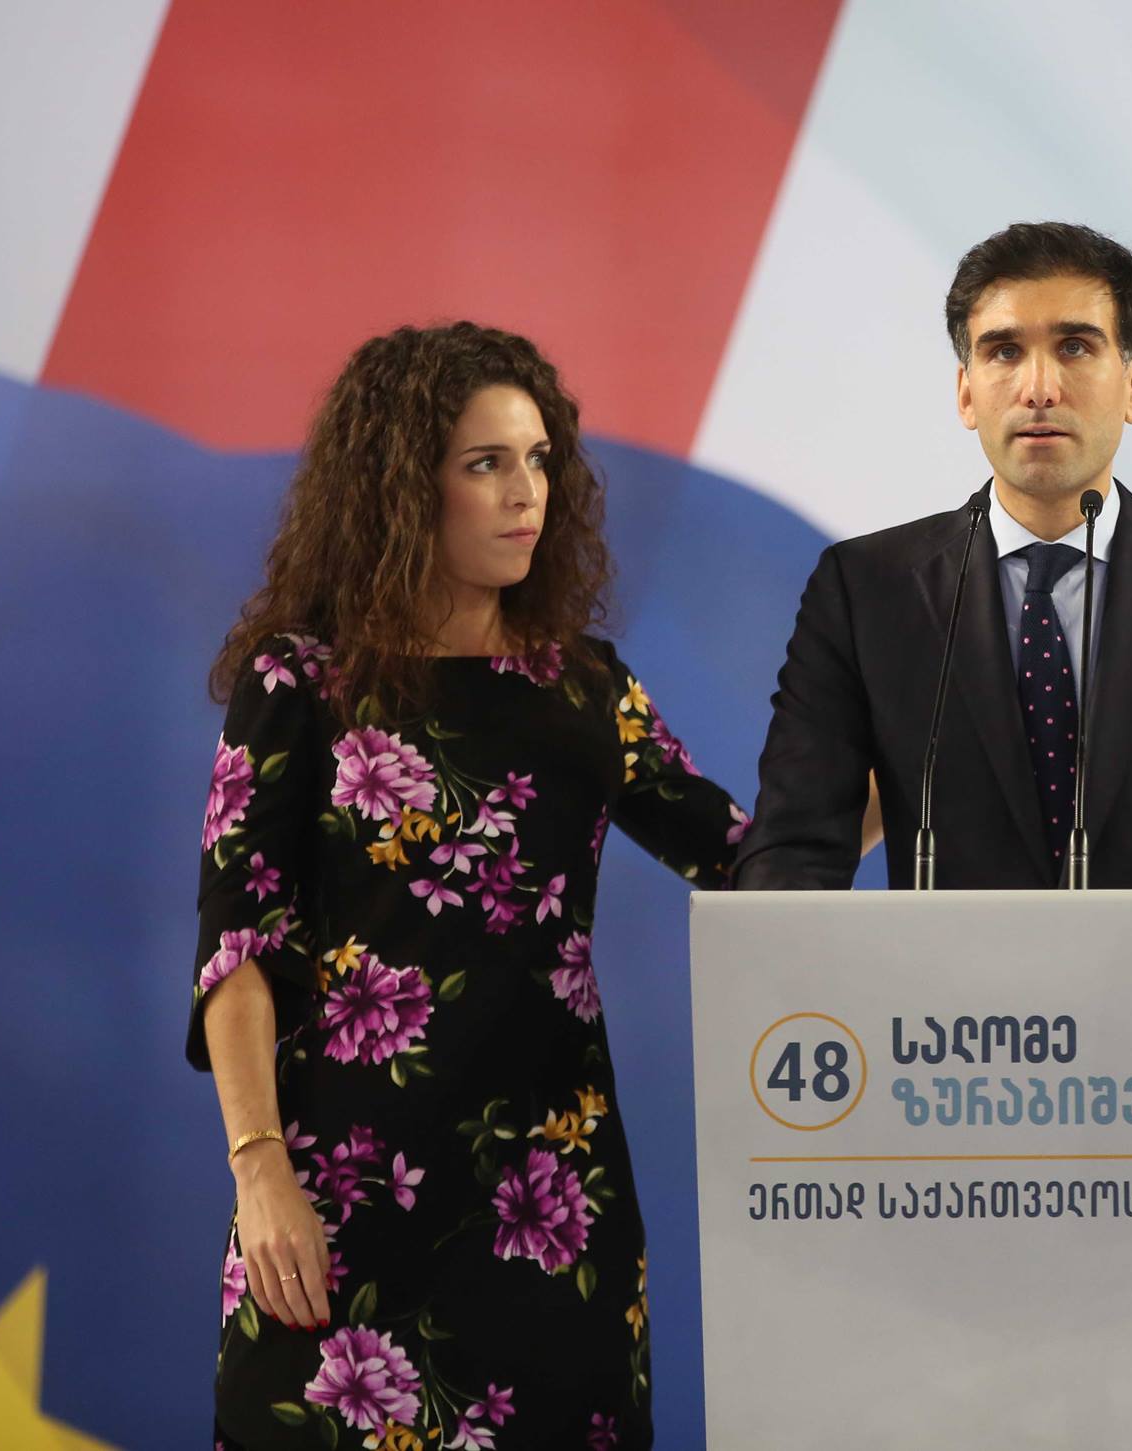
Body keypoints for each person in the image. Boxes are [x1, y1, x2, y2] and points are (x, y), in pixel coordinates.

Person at [189, 322, 744, 1450]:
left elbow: (745, 858)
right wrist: (260, 1169)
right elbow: (238, 947)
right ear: (399, 486)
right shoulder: (298, 680)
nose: (526, 492)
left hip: (553, 1206)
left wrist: (907, 759)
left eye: (538, 459)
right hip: (337, 1198)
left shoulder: (583, 685)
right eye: (485, 463)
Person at [734, 221, 1132, 1069]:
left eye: (1074, 346)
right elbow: (794, 858)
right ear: (966, 394)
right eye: (1003, 352)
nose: (1037, 386)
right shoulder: (867, 590)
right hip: (935, 1084)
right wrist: (801, 1065)